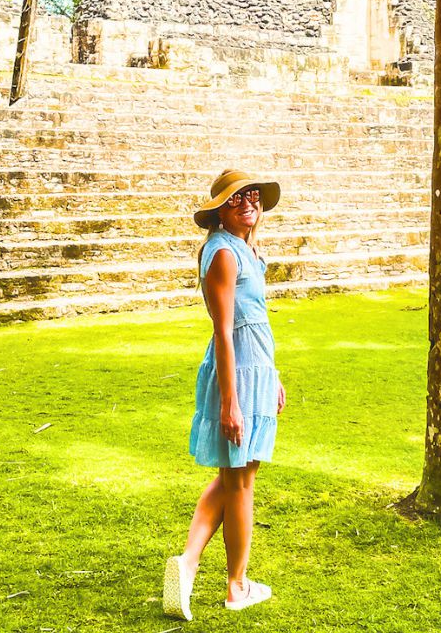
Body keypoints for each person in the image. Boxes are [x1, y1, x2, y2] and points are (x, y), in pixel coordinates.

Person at [163, 169, 285, 620]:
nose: (248, 202)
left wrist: (272, 377)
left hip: (256, 371)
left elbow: (255, 320)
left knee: (234, 475)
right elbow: (225, 331)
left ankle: (189, 562)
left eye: (253, 196)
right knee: (241, 481)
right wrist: (230, 402)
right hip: (237, 374)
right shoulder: (222, 254)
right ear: (219, 208)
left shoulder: (246, 249)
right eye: (237, 198)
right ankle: (237, 585)